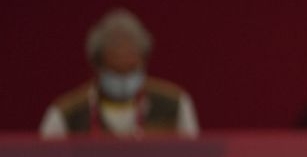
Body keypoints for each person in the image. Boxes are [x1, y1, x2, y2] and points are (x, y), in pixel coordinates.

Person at [39, 9, 198, 139]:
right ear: (97, 65)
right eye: (116, 71)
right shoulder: (67, 112)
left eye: (131, 70)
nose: (124, 79)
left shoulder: (175, 103)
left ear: (143, 61)